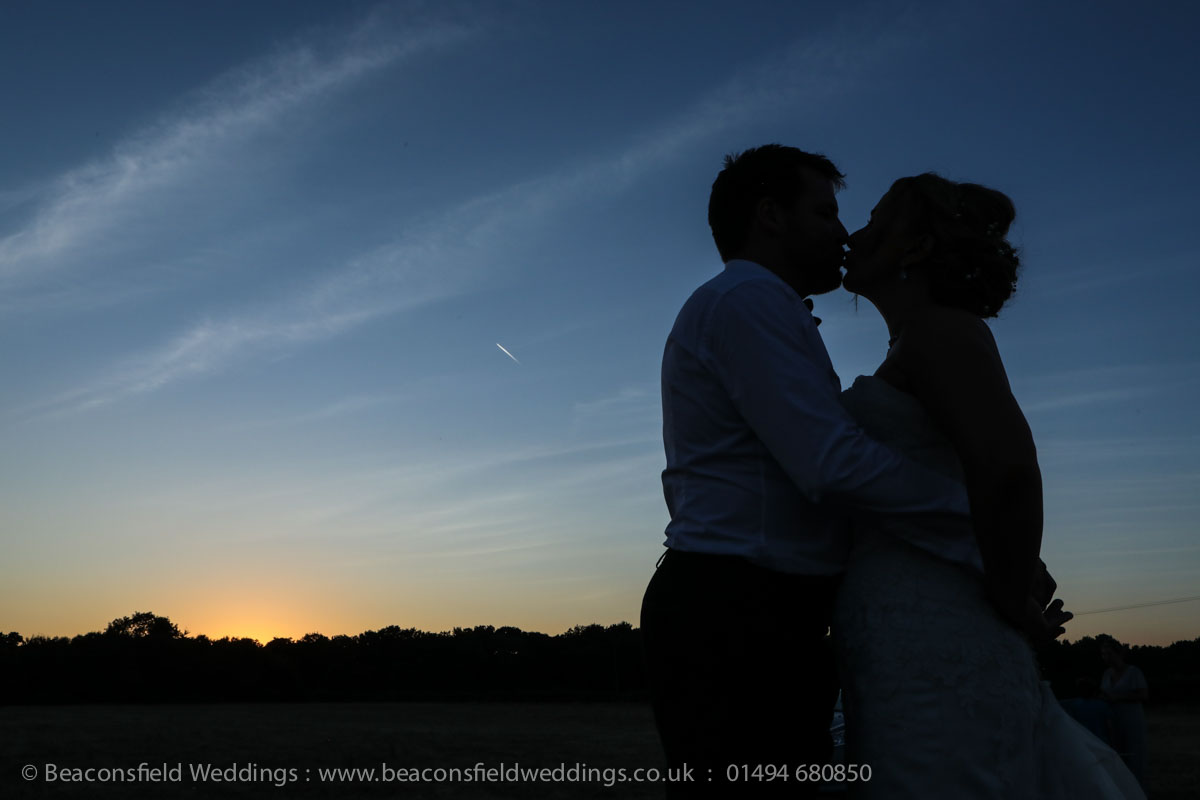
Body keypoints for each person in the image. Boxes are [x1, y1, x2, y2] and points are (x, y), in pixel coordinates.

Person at [640, 146, 1051, 799]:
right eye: (825, 213)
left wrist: (994, 549)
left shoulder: (773, 309)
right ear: (771, 216)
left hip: (767, 612)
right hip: (738, 611)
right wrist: (985, 538)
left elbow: (997, 464)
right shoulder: (748, 300)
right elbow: (832, 466)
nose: (844, 233)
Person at [833, 172, 1142, 798]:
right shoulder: (916, 341)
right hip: (900, 633)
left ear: (916, 247)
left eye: (874, 222)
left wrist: (1008, 593)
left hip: (939, 636)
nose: (852, 235)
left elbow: (1009, 470)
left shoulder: (941, 331)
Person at [1101, 639, 1149, 786]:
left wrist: (1118, 698)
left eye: (1109, 653)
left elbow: (1143, 695)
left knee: (1134, 755)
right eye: (1103, 654)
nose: (1105, 657)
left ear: (1119, 654)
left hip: (1132, 719)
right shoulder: (1106, 674)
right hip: (1113, 720)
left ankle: (1137, 788)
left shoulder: (1134, 672)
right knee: (1117, 754)